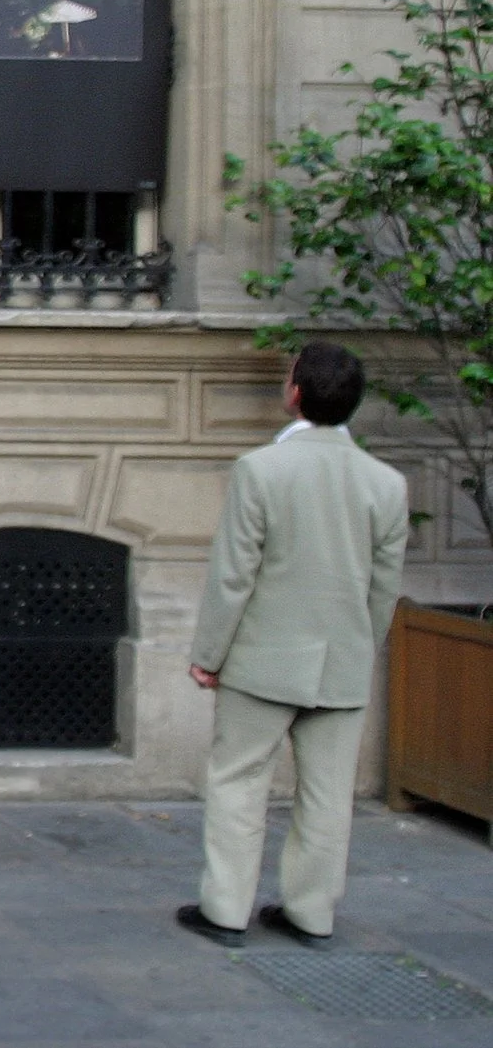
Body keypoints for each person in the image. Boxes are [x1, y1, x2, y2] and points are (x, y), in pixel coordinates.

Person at [176, 341, 408, 950]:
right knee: (328, 797)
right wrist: (363, 647)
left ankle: (226, 910)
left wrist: (208, 654)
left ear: (295, 393)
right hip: (343, 663)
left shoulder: (260, 469)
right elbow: (384, 590)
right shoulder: (387, 484)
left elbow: (234, 575)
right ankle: (312, 913)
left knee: (238, 781)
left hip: (262, 660)